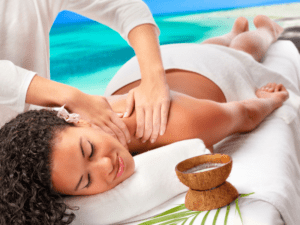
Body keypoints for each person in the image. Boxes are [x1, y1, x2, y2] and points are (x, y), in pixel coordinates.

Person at [0, 15, 292, 224]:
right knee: (218, 43)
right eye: (86, 180)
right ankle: (229, 32)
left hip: (205, 70)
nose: (106, 165)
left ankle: (266, 29)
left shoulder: (179, 123)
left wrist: (270, 100)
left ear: (79, 120)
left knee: (244, 50)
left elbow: (245, 114)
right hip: (130, 76)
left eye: (89, 150)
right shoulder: (69, 143)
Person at [0, 0, 171, 149]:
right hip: (25, 152)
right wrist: (73, 97)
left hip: (41, 136)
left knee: (164, 120)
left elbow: (126, 7)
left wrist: (153, 78)